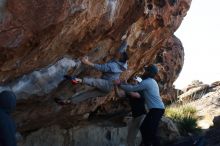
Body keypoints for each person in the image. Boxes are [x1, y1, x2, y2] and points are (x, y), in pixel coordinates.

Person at [56, 40, 129, 104]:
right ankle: (68, 102)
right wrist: (126, 40)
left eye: (119, 54)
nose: (117, 52)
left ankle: (77, 80)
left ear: (119, 57)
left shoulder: (113, 66)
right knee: (88, 94)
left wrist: (87, 62)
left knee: (94, 81)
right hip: (107, 89)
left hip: (107, 84)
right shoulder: (123, 63)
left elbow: (100, 68)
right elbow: (122, 50)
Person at [116, 64, 165, 146]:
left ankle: (149, 143)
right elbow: (136, 85)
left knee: (150, 131)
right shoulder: (152, 82)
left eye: (146, 70)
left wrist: (120, 85)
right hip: (156, 109)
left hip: (157, 110)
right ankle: (146, 143)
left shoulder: (147, 82)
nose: (144, 72)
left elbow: (133, 88)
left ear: (149, 72)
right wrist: (126, 83)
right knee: (145, 128)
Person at [114, 77, 146, 146]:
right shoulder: (130, 92)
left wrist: (122, 85)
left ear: (139, 84)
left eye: (135, 81)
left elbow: (134, 94)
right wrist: (115, 85)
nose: (133, 82)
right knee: (130, 139)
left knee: (146, 135)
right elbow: (118, 95)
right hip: (135, 118)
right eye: (133, 81)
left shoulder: (141, 91)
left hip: (142, 117)